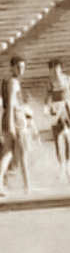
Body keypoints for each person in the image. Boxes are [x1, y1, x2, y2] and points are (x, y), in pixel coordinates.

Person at [0, 56, 31, 194]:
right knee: (23, 152)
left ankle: (1, 182)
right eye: (18, 67)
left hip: (7, 117)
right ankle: (27, 185)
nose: (21, 70)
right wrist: (12, 124)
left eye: (23, 67)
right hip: (16, 119)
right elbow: (11, 104)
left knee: (7, 153)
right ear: (12, 67)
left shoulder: (6, 81)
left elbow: (6, 104)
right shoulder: (13, 82)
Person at [45, 58, 70, 183]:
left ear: (61, 68)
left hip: (67, 110)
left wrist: (68, 100)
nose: (55, 72)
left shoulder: (68, 79)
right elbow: (47, 98)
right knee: (57, 139)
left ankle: (68, 166)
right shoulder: (50, 82)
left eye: (57, 69)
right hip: (56, 110)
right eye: (52, 70)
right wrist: (47, 108)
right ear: (50, 71)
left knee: (67, 138)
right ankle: (61, 167)